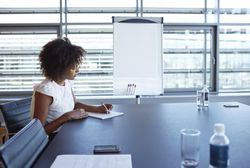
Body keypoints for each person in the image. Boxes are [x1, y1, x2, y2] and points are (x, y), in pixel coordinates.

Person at [31, 37, 112, 138]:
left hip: (68, 132)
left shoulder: (66, 82)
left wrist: (97, 109)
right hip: (53, 140)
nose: (77, 70)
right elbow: (38, 133)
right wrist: (67, 117)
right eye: (73, 67)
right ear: (60, 67)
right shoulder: (45, 91)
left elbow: (74, 105)